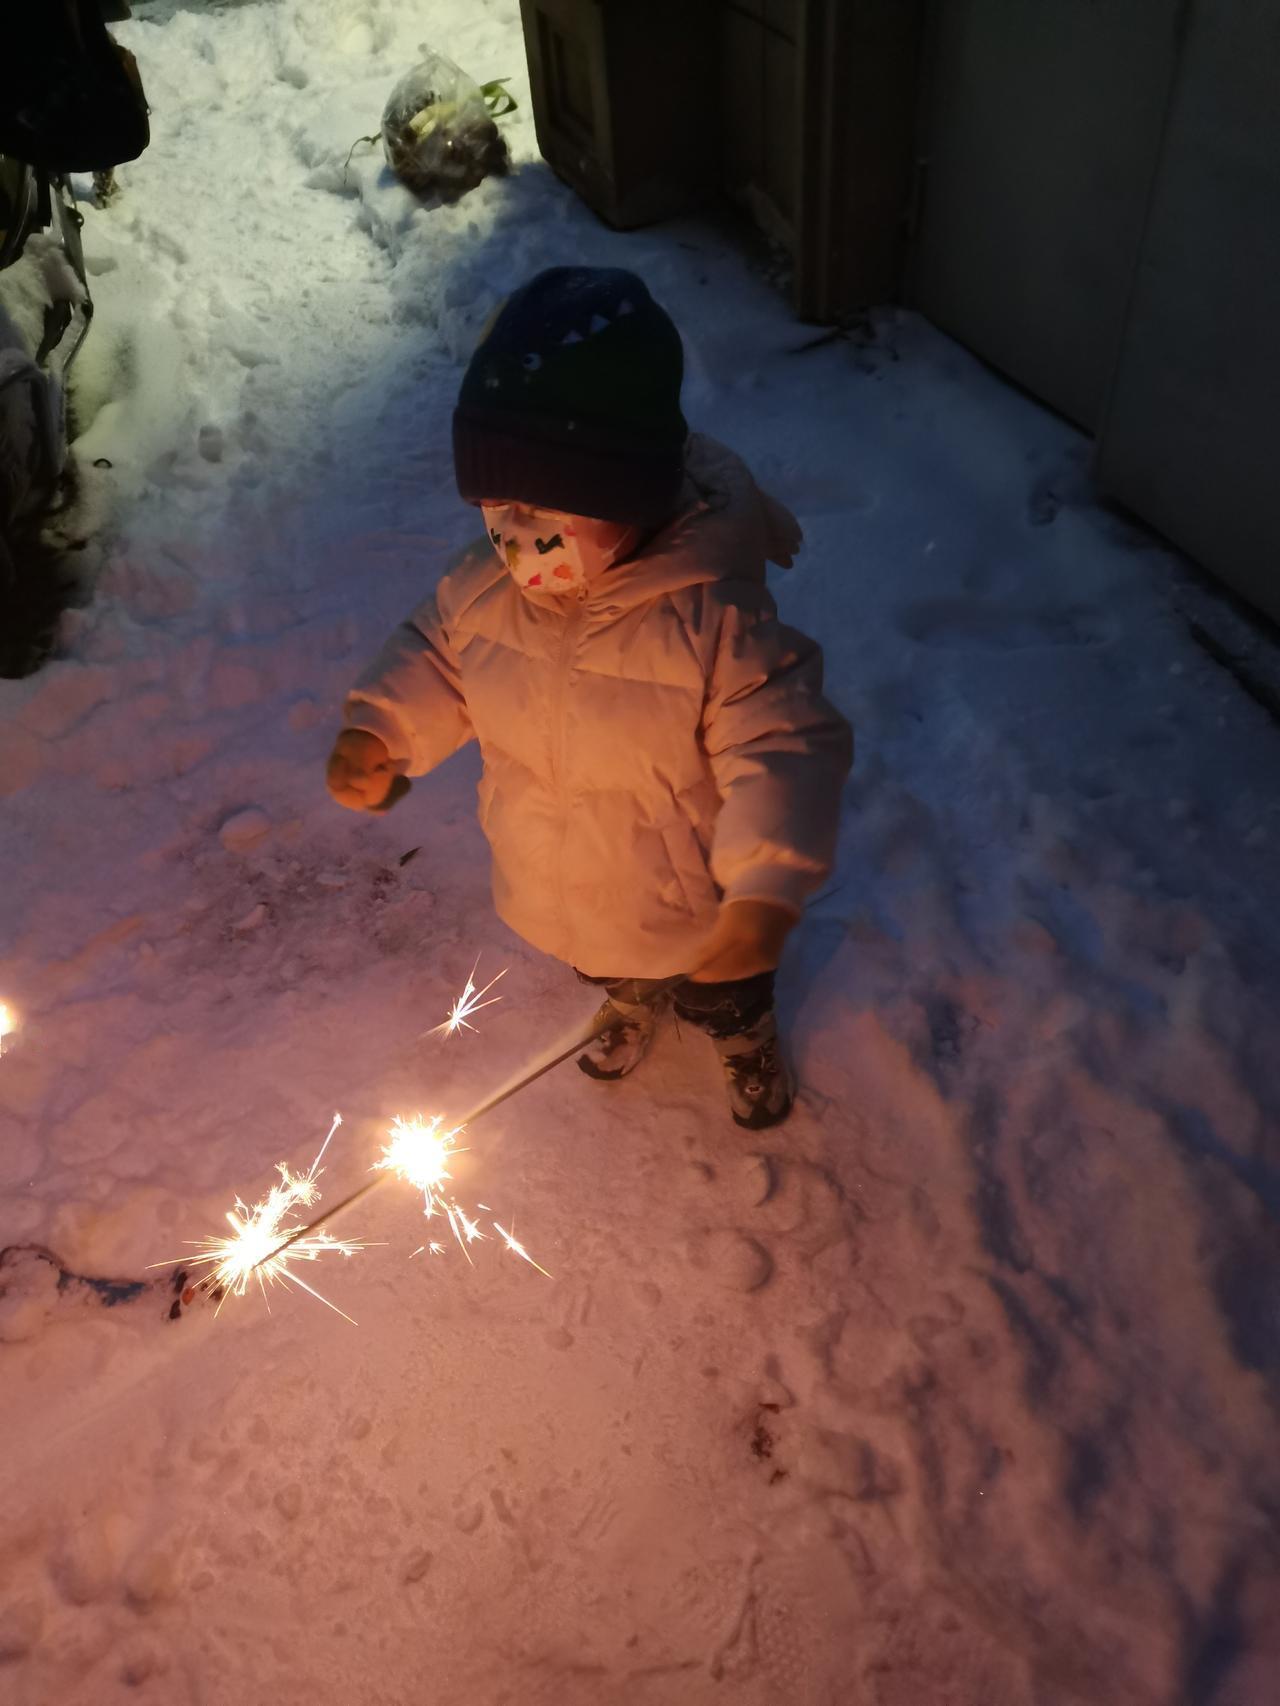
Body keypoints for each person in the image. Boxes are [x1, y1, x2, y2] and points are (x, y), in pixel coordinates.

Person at [327, 266, 851, 1129]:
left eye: (546, 505)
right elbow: (441, 654)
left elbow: (784, 748)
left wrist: (762, 896)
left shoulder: (709, 616)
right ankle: (629, 994)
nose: (515, 531)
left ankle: (740, 1035)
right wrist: (379, 728)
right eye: (496, 501)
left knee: (721, 989)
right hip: (559, 882)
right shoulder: (482, 590)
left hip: (694, 901)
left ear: (630, 494)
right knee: (610, 962)